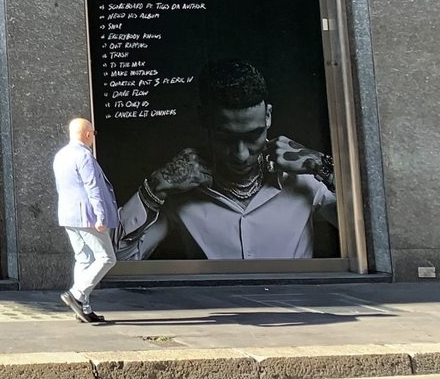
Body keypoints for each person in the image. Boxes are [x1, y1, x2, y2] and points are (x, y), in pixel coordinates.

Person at [115, 60, 335, 261]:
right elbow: (115, 260)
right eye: (226, 138)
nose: (241, 154)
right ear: (204, 119)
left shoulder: (308, 175)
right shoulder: (180, 187)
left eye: (253, 136)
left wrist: (325, 167)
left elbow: (358, 235)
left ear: (268, 116)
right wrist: (153, 189)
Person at [53, 116, 116, 324]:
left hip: (68, 215)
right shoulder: (84, 156)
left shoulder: (61, 155)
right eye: (93, 134)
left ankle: (84, 308)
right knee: (107, 258)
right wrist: (101, 216)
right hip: (87, 216)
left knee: (84, 259)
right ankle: (77, 294)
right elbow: (93, 187)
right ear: (88, 134)